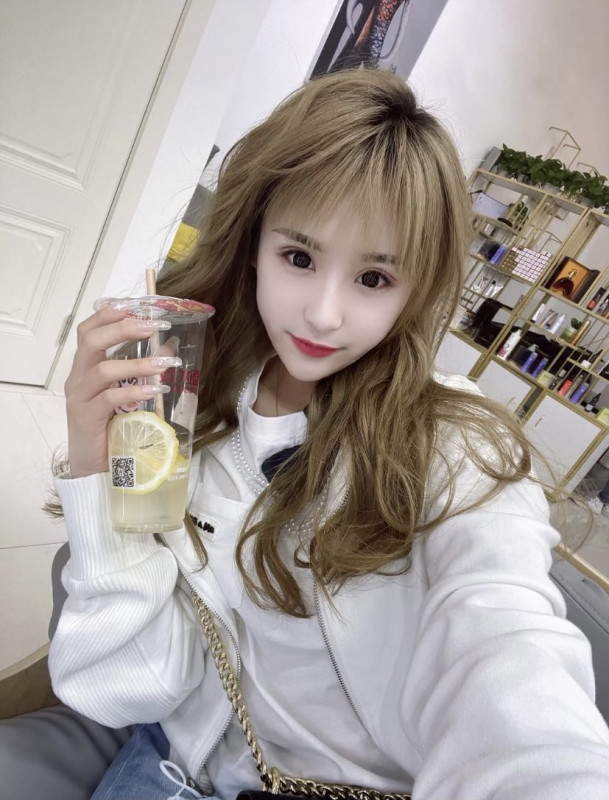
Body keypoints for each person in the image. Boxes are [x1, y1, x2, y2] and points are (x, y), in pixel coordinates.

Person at [47, 69, 609, 800]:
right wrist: (96, 467)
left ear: (415, 289)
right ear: (254, 243)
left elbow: (509, 652)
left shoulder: (450, 443)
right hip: (165, 765)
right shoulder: (193, 401)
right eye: (300, 258)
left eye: (373, 279)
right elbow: (133, 685)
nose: (323, 314)